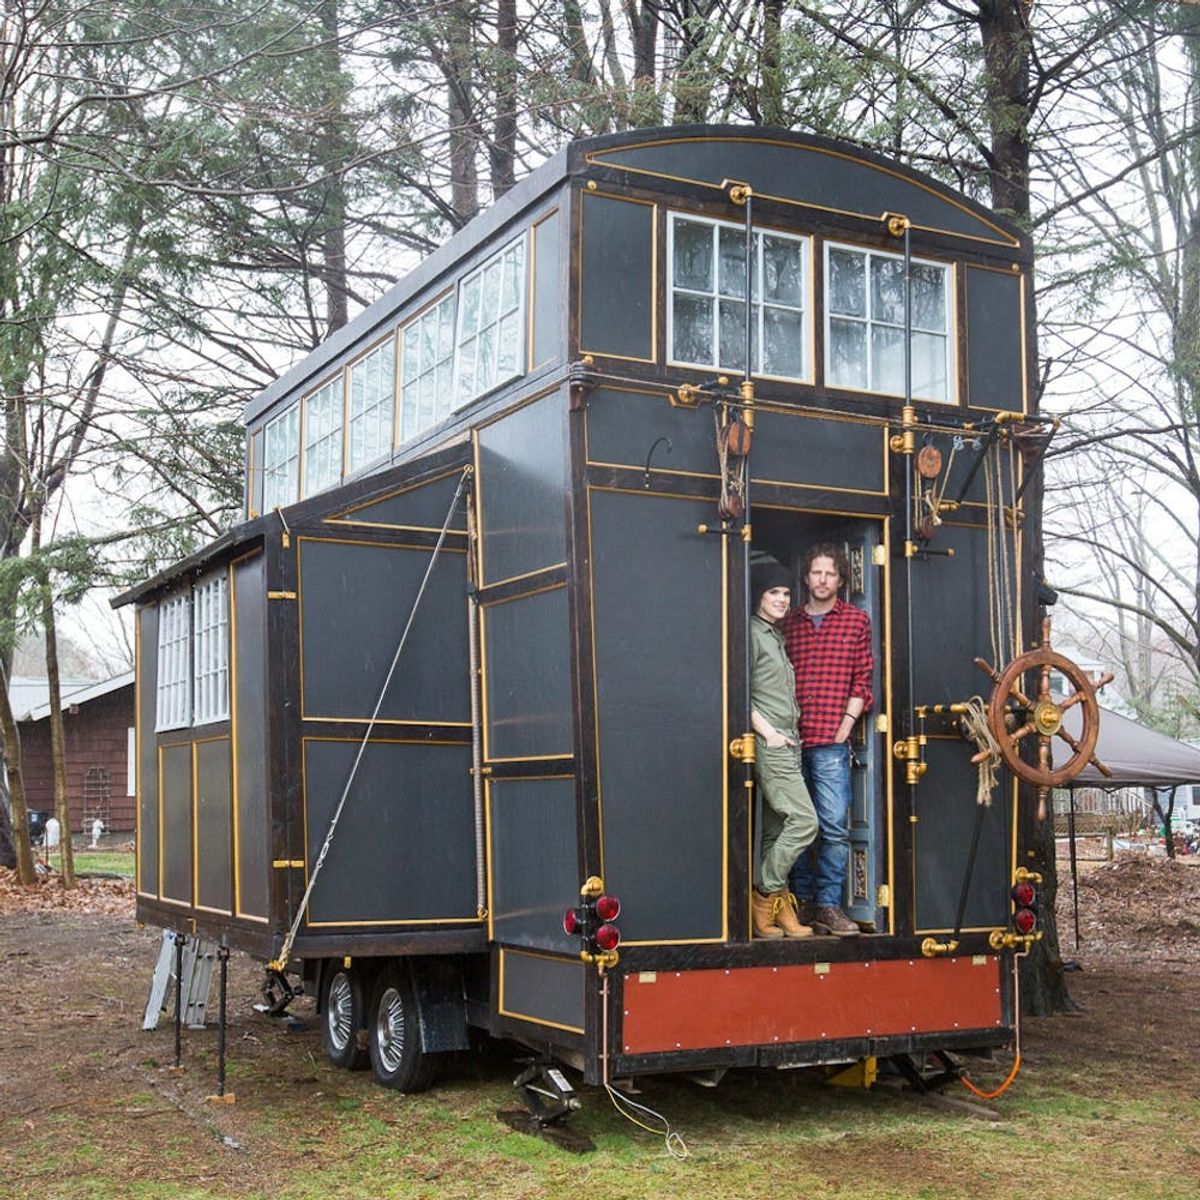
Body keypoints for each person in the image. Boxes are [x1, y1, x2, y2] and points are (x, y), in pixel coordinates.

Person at [781, 544, 873, 938]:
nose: (822, 580)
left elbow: (863, 682)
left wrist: (844, 727)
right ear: (806, 577)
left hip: (831, 742)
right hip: (789, 742)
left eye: (830, 574)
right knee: (797, 825)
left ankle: (828, 906)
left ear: (841, 580)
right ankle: (800, 903)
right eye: (816, 573)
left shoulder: (856, 622)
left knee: (833, 827)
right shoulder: (788, 623)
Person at [749, 560, 820, 939]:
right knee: (805, 822)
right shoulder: (751, 634)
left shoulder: (775, 635)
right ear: (759, 594)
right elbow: (737, 692)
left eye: (786, 593)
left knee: (775, 832)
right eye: (773, 592)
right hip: (771, 745)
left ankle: (773, 912)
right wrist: (768, 734)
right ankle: (764, 894)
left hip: (789, 744)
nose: (781, 599)